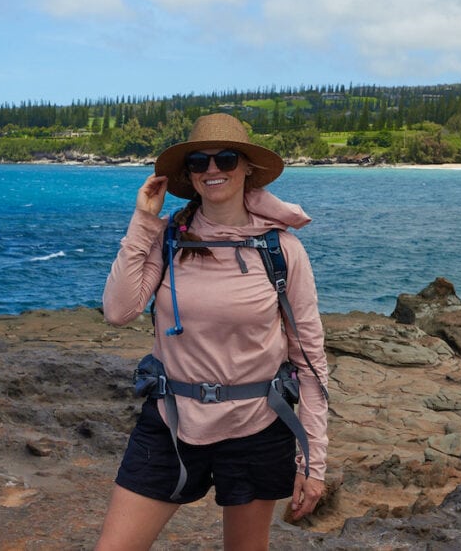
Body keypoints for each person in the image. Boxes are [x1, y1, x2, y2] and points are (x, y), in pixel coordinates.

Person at [96, 113, 329, 551]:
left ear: (246, 169)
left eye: (225, 158)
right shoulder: (168, 240)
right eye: (199, 163)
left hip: (258, 425)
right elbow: (118, 310)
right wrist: (143, 220)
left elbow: (311, 362)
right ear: (189, 175)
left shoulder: (282, 250)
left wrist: (312, 460)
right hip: (170, 420)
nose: (213, 170)